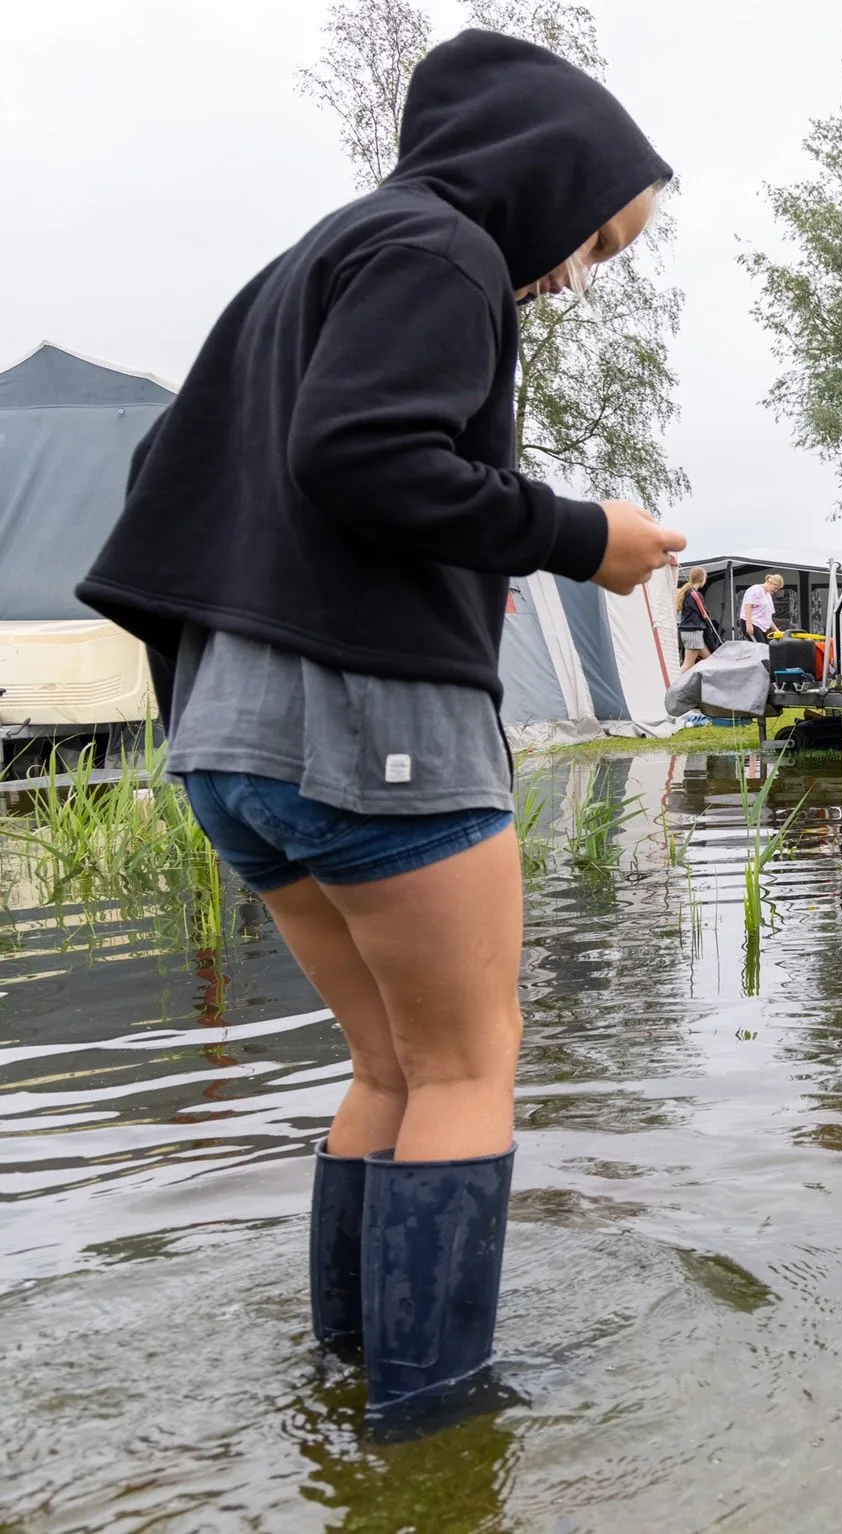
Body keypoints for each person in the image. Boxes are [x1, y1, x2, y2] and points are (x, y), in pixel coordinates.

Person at [75, 30, 681, 1431]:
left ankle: (351, 1373)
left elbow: (172, 466)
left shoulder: (307, 266)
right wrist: (581, 534)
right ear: (546, 173)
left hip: (230, 730)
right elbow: (361, 454)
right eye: (594, 241)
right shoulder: (442, 251)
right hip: (368, 721)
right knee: (469, 1062)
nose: (570, 277)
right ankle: (433, 1421)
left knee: (387, 1066)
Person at [677, 568, 720, 671]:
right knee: (688, 665)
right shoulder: (695, 595)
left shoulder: (687, 593)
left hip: (692, 633)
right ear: (702, 579)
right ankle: (670, 683)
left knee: (710, 659)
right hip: (693, 633)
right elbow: (704, 614)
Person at [741, 573, 785, 642]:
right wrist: (749, 625)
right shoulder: (755, 589)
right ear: (770, 583)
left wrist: (776, 630)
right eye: (775, 588)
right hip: (752, 623)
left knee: (766, 647)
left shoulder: (768, 596)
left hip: (762, 627)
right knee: (760, 646)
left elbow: (768, 617)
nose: (775, 591)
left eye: (777, 589)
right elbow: (748, 606)